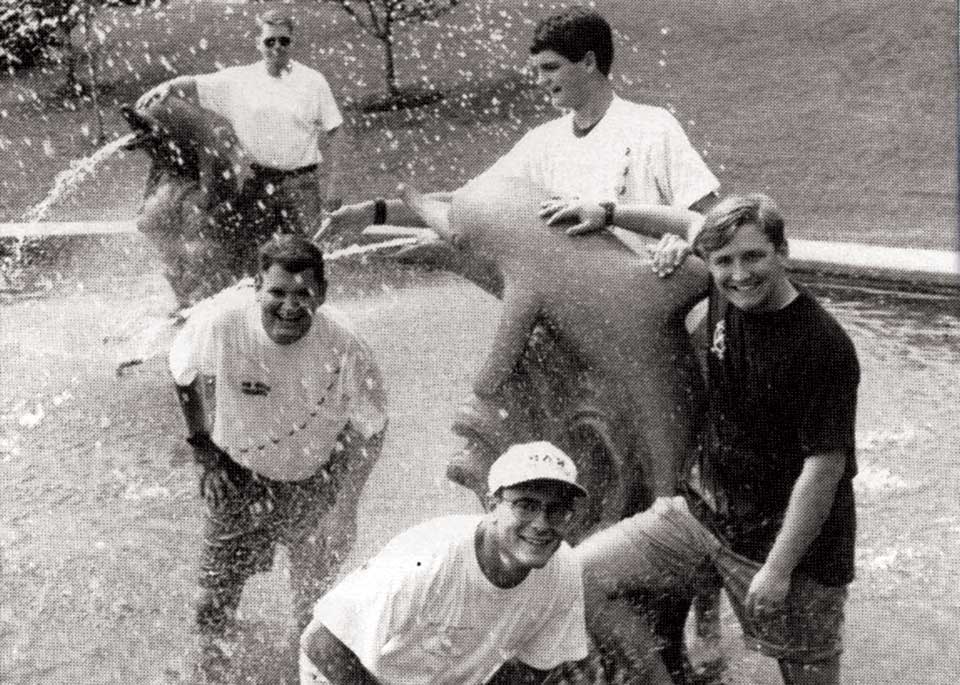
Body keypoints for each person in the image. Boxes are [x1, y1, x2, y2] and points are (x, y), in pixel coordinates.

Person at [577, 194, 860, 684]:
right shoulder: (720, 283)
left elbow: (824, 471)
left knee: (808, 676)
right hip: (702, 517)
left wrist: (776, 570)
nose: (739, 274)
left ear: (783, 251)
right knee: (578, 574)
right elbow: (687, 222)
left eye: (754, 256)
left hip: (793, 552)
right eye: (724, 261)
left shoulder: (821, 347)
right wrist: (606, 214)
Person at [168, 234, 387, 680]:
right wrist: (203, 451)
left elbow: (374, 427)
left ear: (322, 294)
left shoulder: (346, 347)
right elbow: (182, 372)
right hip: (237, 475)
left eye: (303, 294)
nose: (289, 307)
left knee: (316, 601)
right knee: (213, 599)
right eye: (277, 292)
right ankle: (212, 671)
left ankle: (303, 670)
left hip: (315, 479)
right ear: (257, 288)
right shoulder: (222, 325)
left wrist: (345, 507)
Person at [300, 441, 664, 684]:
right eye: (526, 505)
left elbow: (530, 670)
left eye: (556, 509)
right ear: (492, 505)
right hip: (342, 671)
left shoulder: (563, 570)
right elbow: (323, 643)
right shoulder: (431, 561)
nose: (541, 523)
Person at [136, 8, 345, 237]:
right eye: (270, 41)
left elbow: (335, 130)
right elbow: (195, 83)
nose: (277, 47)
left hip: (301, 185)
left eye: (284, 41)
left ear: (292, 42)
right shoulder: (239, 80)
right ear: (259, 43)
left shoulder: (312, 82)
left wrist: (335, 185)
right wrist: (166, 87)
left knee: (305, 254)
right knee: (249, 253)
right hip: (259, 182)